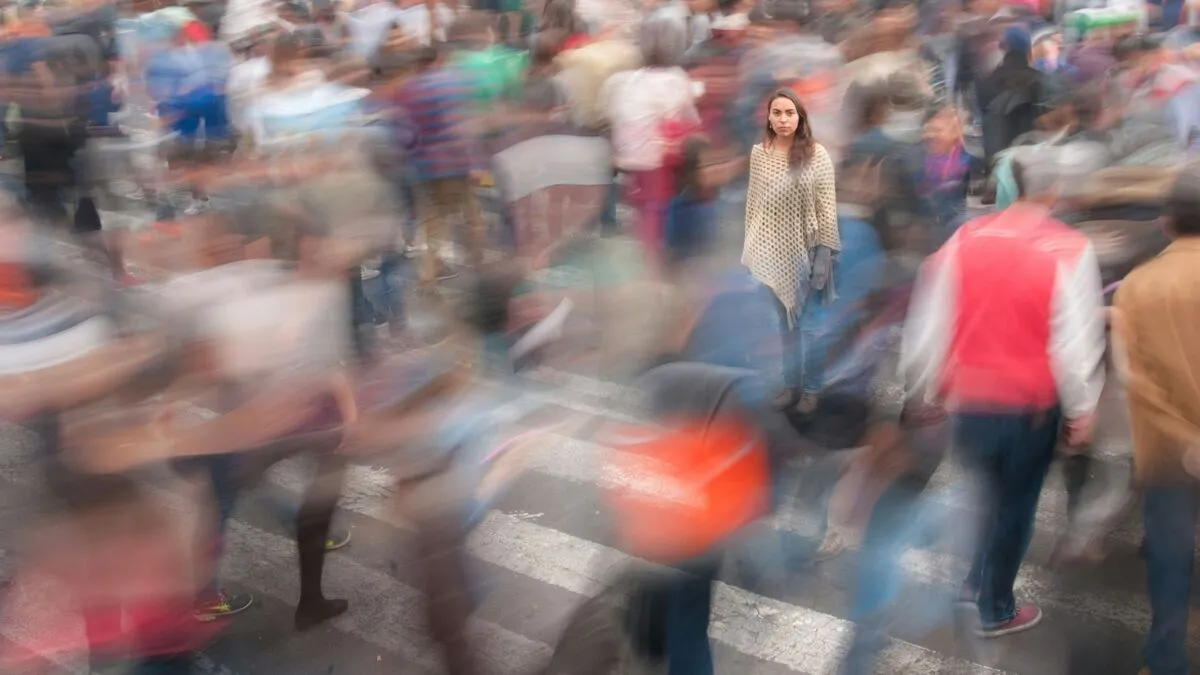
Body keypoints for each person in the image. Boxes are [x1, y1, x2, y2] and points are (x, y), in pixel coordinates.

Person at [901, 145, 1106, 638]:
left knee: (982, 496)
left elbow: (930, 320)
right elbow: (1074, 342)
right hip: (1029, 407)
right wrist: (1083, 408)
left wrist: (921, 387)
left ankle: (972, 582)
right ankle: (996, 608)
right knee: (1015, 505)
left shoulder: (964, 238)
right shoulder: (1071, 249)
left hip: (970, 401)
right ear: (1054, 190)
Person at [1111, 165, 1200, 675]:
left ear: (1166, 223)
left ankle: (1166, 660)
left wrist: (1189, 441)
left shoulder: (1139, 288)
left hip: (1167, 456)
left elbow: (1135, 379)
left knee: (1170, 560)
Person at [741, 87, 840, 406]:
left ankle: (811, 389)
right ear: (769, 118)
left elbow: (827, 208)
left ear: (800, 118)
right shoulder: (760, 154)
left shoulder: (817, 154)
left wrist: (824, 255)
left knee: (810, 329)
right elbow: (754, 207)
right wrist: (751, 253)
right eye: (777, 113)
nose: (783, 120)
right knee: (783, 327)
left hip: (810, 254)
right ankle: (789, 384)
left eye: (789, 113)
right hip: (771, 253)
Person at [601, 17, 698, 264]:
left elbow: (608, 114)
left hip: (622, 158)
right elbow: (688, 122)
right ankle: (659, 252)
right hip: (655, 162)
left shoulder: (623, 80)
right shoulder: (676, 80)